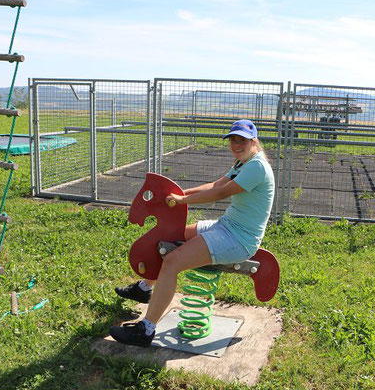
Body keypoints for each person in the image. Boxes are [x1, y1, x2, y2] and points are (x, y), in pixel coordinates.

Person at [110, 119, 275, 347]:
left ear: (254, 141)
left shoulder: (257, 166)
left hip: (238, 239)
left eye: (242, 140)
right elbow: (217, 184)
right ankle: (144, 289)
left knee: (172, 261)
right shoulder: (242, 163)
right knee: (170, 238)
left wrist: (183, 200)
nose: (236, 144)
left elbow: (221, 193)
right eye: (233, 140)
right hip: (226, 225)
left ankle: (146, 330)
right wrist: (180, 194)